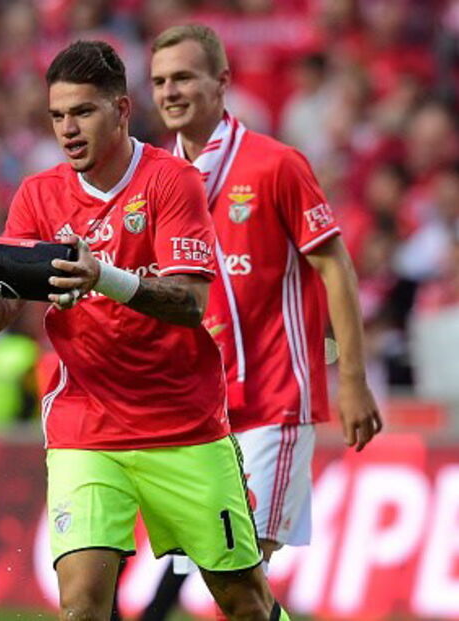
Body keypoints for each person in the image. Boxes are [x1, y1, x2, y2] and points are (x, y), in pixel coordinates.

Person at [0, 40, 293, 621]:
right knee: (82, 607)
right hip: (86, 428)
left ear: (121, 109)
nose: (68, 129)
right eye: (58, 115)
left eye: (83, 112)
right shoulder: (39, 195)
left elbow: (191, 303)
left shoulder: (172, 182)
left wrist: (102, 276)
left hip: (183, 426)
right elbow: (0, 311)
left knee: (245, 604)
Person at [141, 23, 384, 618]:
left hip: (276, 400)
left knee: (243, 575)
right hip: (200, 410)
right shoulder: (154, 180)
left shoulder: (276, 164)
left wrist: (352, 380)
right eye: (160, 81)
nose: (170, 92)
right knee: (231, 586)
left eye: (184, 77)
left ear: (222, 81)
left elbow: (335, 267)